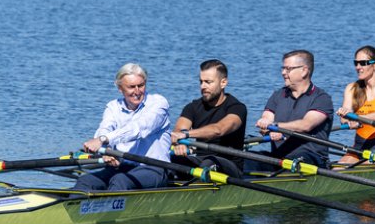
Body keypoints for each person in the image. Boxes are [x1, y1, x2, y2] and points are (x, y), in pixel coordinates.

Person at [74, 63, 171, 192]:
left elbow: (138, 129)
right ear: (120, 88)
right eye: (131, 87)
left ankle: (108, 210)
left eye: (141, 85)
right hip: (122, 167)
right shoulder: (113, 107)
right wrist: (106, 150)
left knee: (120, 180)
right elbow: (104, 129)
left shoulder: (158, 103)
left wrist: (103, 140)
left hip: (154, 168)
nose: (137, 91)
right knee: (85, 180)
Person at [253, 50, 334, 168]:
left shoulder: (321, 98)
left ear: (304, 71)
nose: (283, 73)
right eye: (283, 68)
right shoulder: (277, 95)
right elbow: (267, 119)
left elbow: (306, 125)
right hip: (279, 158)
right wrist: (266, 128)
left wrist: (277, 126)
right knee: (247, 159)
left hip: (311, 158)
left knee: (292, 160)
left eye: (288, 69)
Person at [170, 59, 248, 177]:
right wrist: (179, 143)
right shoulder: (192, 107)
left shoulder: (237, 108)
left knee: (209, 163)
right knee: (170, 160)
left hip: (230, 165)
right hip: (201, 161)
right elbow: (179, 130)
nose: (203, 86)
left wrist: (186, 135)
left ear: (223, 83)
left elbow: (218, 130)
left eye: (208, 82)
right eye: (201, 82)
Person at [336, 45, 375, 162]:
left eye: (363, 63)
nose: (358, 67)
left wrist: (357, 119)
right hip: (359, 147)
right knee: (339, 168)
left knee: (360, 169)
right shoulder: (351, 88)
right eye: (356, 63)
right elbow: (345, 118)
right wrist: (346, 118)